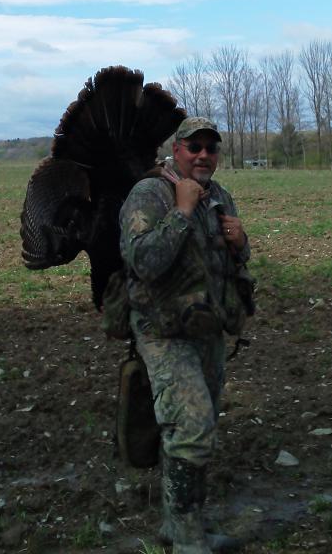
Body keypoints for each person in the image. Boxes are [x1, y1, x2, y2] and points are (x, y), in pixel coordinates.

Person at [119, 117, 252, 554]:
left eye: (211, 149)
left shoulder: (221, 196)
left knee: (198, 427)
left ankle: (179, 526)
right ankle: (189, 541)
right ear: (176, 149)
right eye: (194, 147)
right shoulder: (150, 194)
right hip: (162, 330)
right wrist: (181, 211)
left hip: (206, 327)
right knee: (192, 425)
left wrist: (241, 241)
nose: (203, 155)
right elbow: (144, 262)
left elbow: (232, 259)